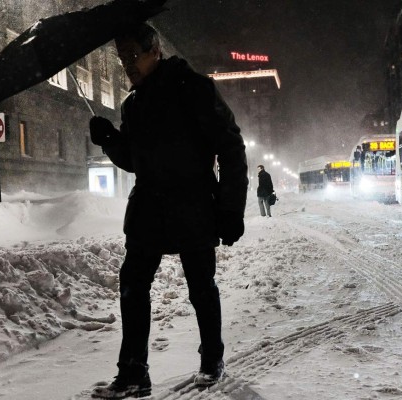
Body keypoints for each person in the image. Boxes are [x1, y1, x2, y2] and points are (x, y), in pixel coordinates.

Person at [88, 22, 248, 399]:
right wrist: (109, 138)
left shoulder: (193, 88)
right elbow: (135, 160)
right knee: (132, 285)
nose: (127, 65)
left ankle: (212, 359)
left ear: (155, 51)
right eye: (121, 58)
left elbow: (231, 147)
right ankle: (133, 373)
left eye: (133, 55)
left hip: (192, 204)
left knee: (200, 287)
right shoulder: (133, 103)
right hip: (148, 208)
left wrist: (231, 209)